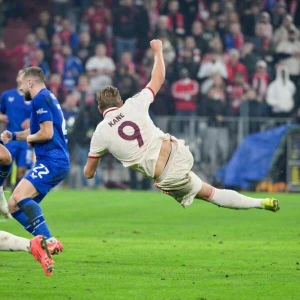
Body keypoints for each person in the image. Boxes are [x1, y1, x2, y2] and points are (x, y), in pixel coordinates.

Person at [84, 39, 279, 212]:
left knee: (212, 195)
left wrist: (101, 153)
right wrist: (158, 51)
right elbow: (158, 78)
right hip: (178, 150)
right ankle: (261, 202)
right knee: (209, 190)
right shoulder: (134, 103)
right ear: (120, 102)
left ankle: (259, 203)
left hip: (168, 176)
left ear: (100, 109)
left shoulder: (100, 132)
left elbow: (89, 173)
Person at [1, 66, 70, 254]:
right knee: (14, 206)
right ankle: (45, 244)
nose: (20, 87)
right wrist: (13, 136)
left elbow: (45, 134)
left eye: (22, 83)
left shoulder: (40, 98)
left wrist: (31, 139)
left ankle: (49, 239)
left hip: (52, 160)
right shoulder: (46, 97)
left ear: (30, 82)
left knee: (20, 196)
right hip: (52, 161)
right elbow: (34, 131)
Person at [0, 70, 33, 190]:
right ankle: (2, 193)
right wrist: (2, 117)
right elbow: (0, 113)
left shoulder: (32, 97)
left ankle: (16, 197)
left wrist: (31, 122)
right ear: (17, 78)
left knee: (21, 170)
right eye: (21, 75)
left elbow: (39, 117)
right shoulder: (7, 95)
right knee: (4, 168)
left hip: (25, 140)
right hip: (9, 138)